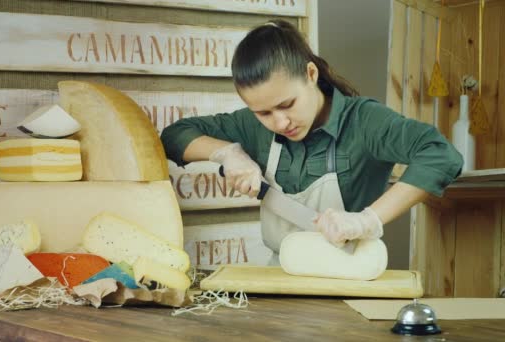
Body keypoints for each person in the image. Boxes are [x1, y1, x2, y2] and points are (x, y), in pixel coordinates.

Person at [160, 19, 463, 257]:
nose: (280, 122)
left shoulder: (364, 121)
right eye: (263, 112)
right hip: (282, 284)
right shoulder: (251, 128)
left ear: (311, 74)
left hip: (351, 283)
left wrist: (368, 220)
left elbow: (440, 154)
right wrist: (226, 153)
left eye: (287, 104)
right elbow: (173, 137)